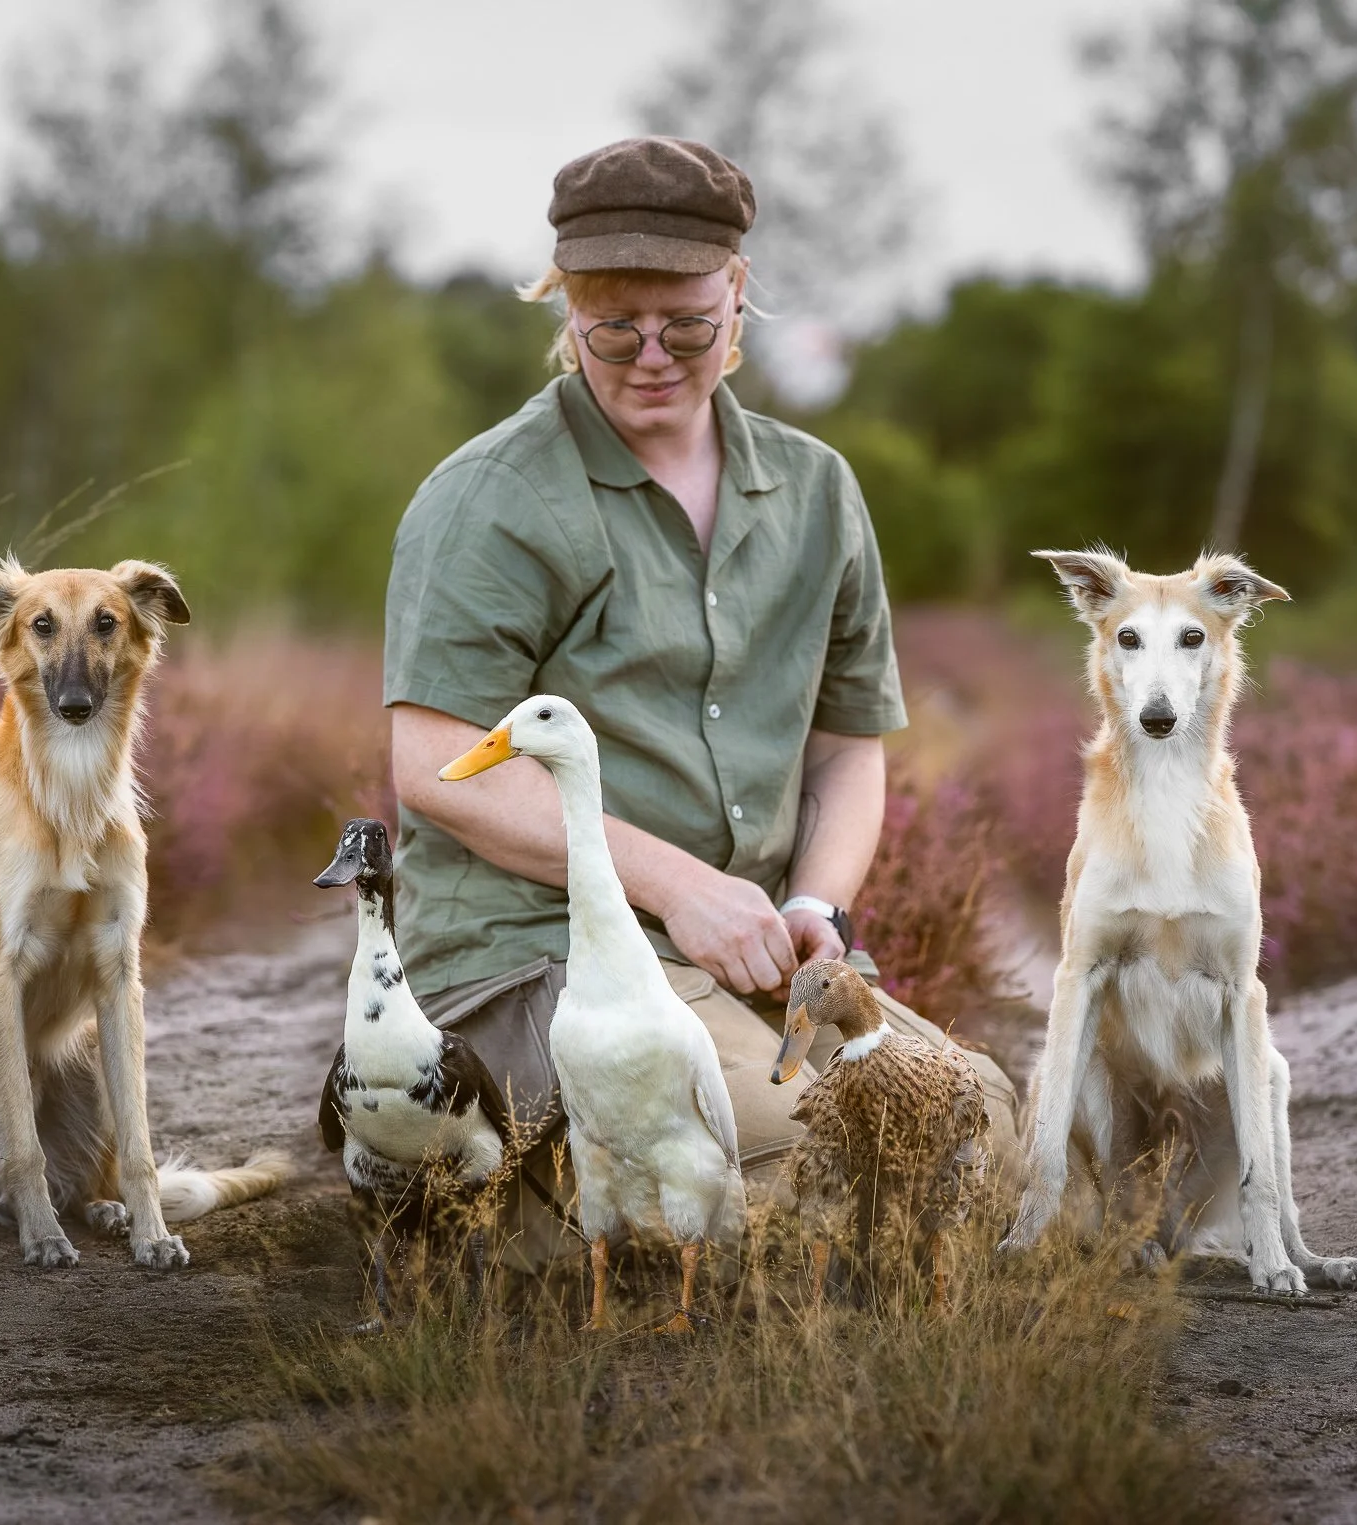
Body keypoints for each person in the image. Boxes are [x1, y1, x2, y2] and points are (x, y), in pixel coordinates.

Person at [383, 137, 1016, 1267]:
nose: (650, 358)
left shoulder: (817, 489)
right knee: (784, 1177)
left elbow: (845, 753)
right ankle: (479, 1191)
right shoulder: (489, 499)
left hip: (749, 959)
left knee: (973, 1123)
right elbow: (434, 764)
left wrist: (815, 903)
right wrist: (682, 890)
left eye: (686, 325)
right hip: (538, 956)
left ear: (738, 296)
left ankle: (571, 1198)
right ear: (562, 306)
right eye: (611, 329)